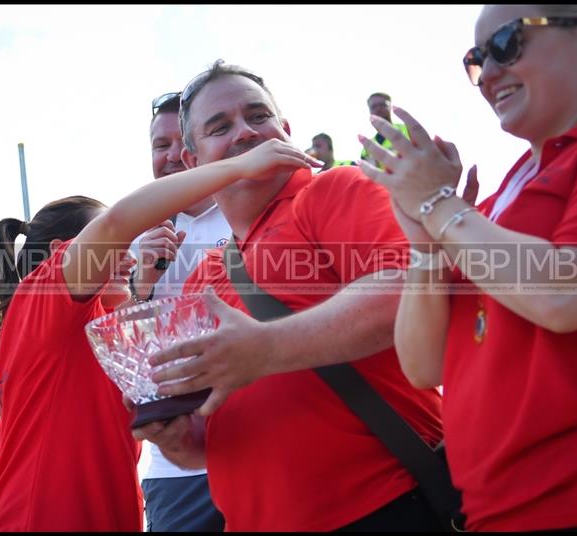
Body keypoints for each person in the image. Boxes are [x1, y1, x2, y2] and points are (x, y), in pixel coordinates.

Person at [134, 60, 445, 532]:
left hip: (389, 505)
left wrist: (268, 348)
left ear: (286, 130)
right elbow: (207, 437)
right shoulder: (204, 277)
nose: (244, 132)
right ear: (193, 164)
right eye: (220, 126)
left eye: (258, 116)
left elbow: (407, 292)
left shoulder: (334, 191)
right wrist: (175, 436)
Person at [0, 135, 319, 531]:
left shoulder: (86, 330)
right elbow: (119, 221)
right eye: (116, 246)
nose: (129, 252)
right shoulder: (43, 294)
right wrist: (237, 167)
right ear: (60, 252)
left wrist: (142, 288)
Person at [358, 4, 577, 531]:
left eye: (506, 44)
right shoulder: (503, 194)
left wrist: (439, 205)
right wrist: (424, 240)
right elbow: (425, 364)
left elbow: (570, 296)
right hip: (497, 509)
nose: (487, 75)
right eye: (475, 59)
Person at [130, 91, 228, 532]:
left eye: (179, 142)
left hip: (260, 437)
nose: (171, 157)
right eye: (158, 146)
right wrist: (140, 284)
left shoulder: (245, 209)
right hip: (176, 471)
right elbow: (117, 351)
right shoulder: (130, 232)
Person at [359, 92, 410, 168]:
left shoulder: (408, 130)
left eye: (382, 105)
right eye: (373, 107)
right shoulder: (368, 148)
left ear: (390, 107)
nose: (378, 109)